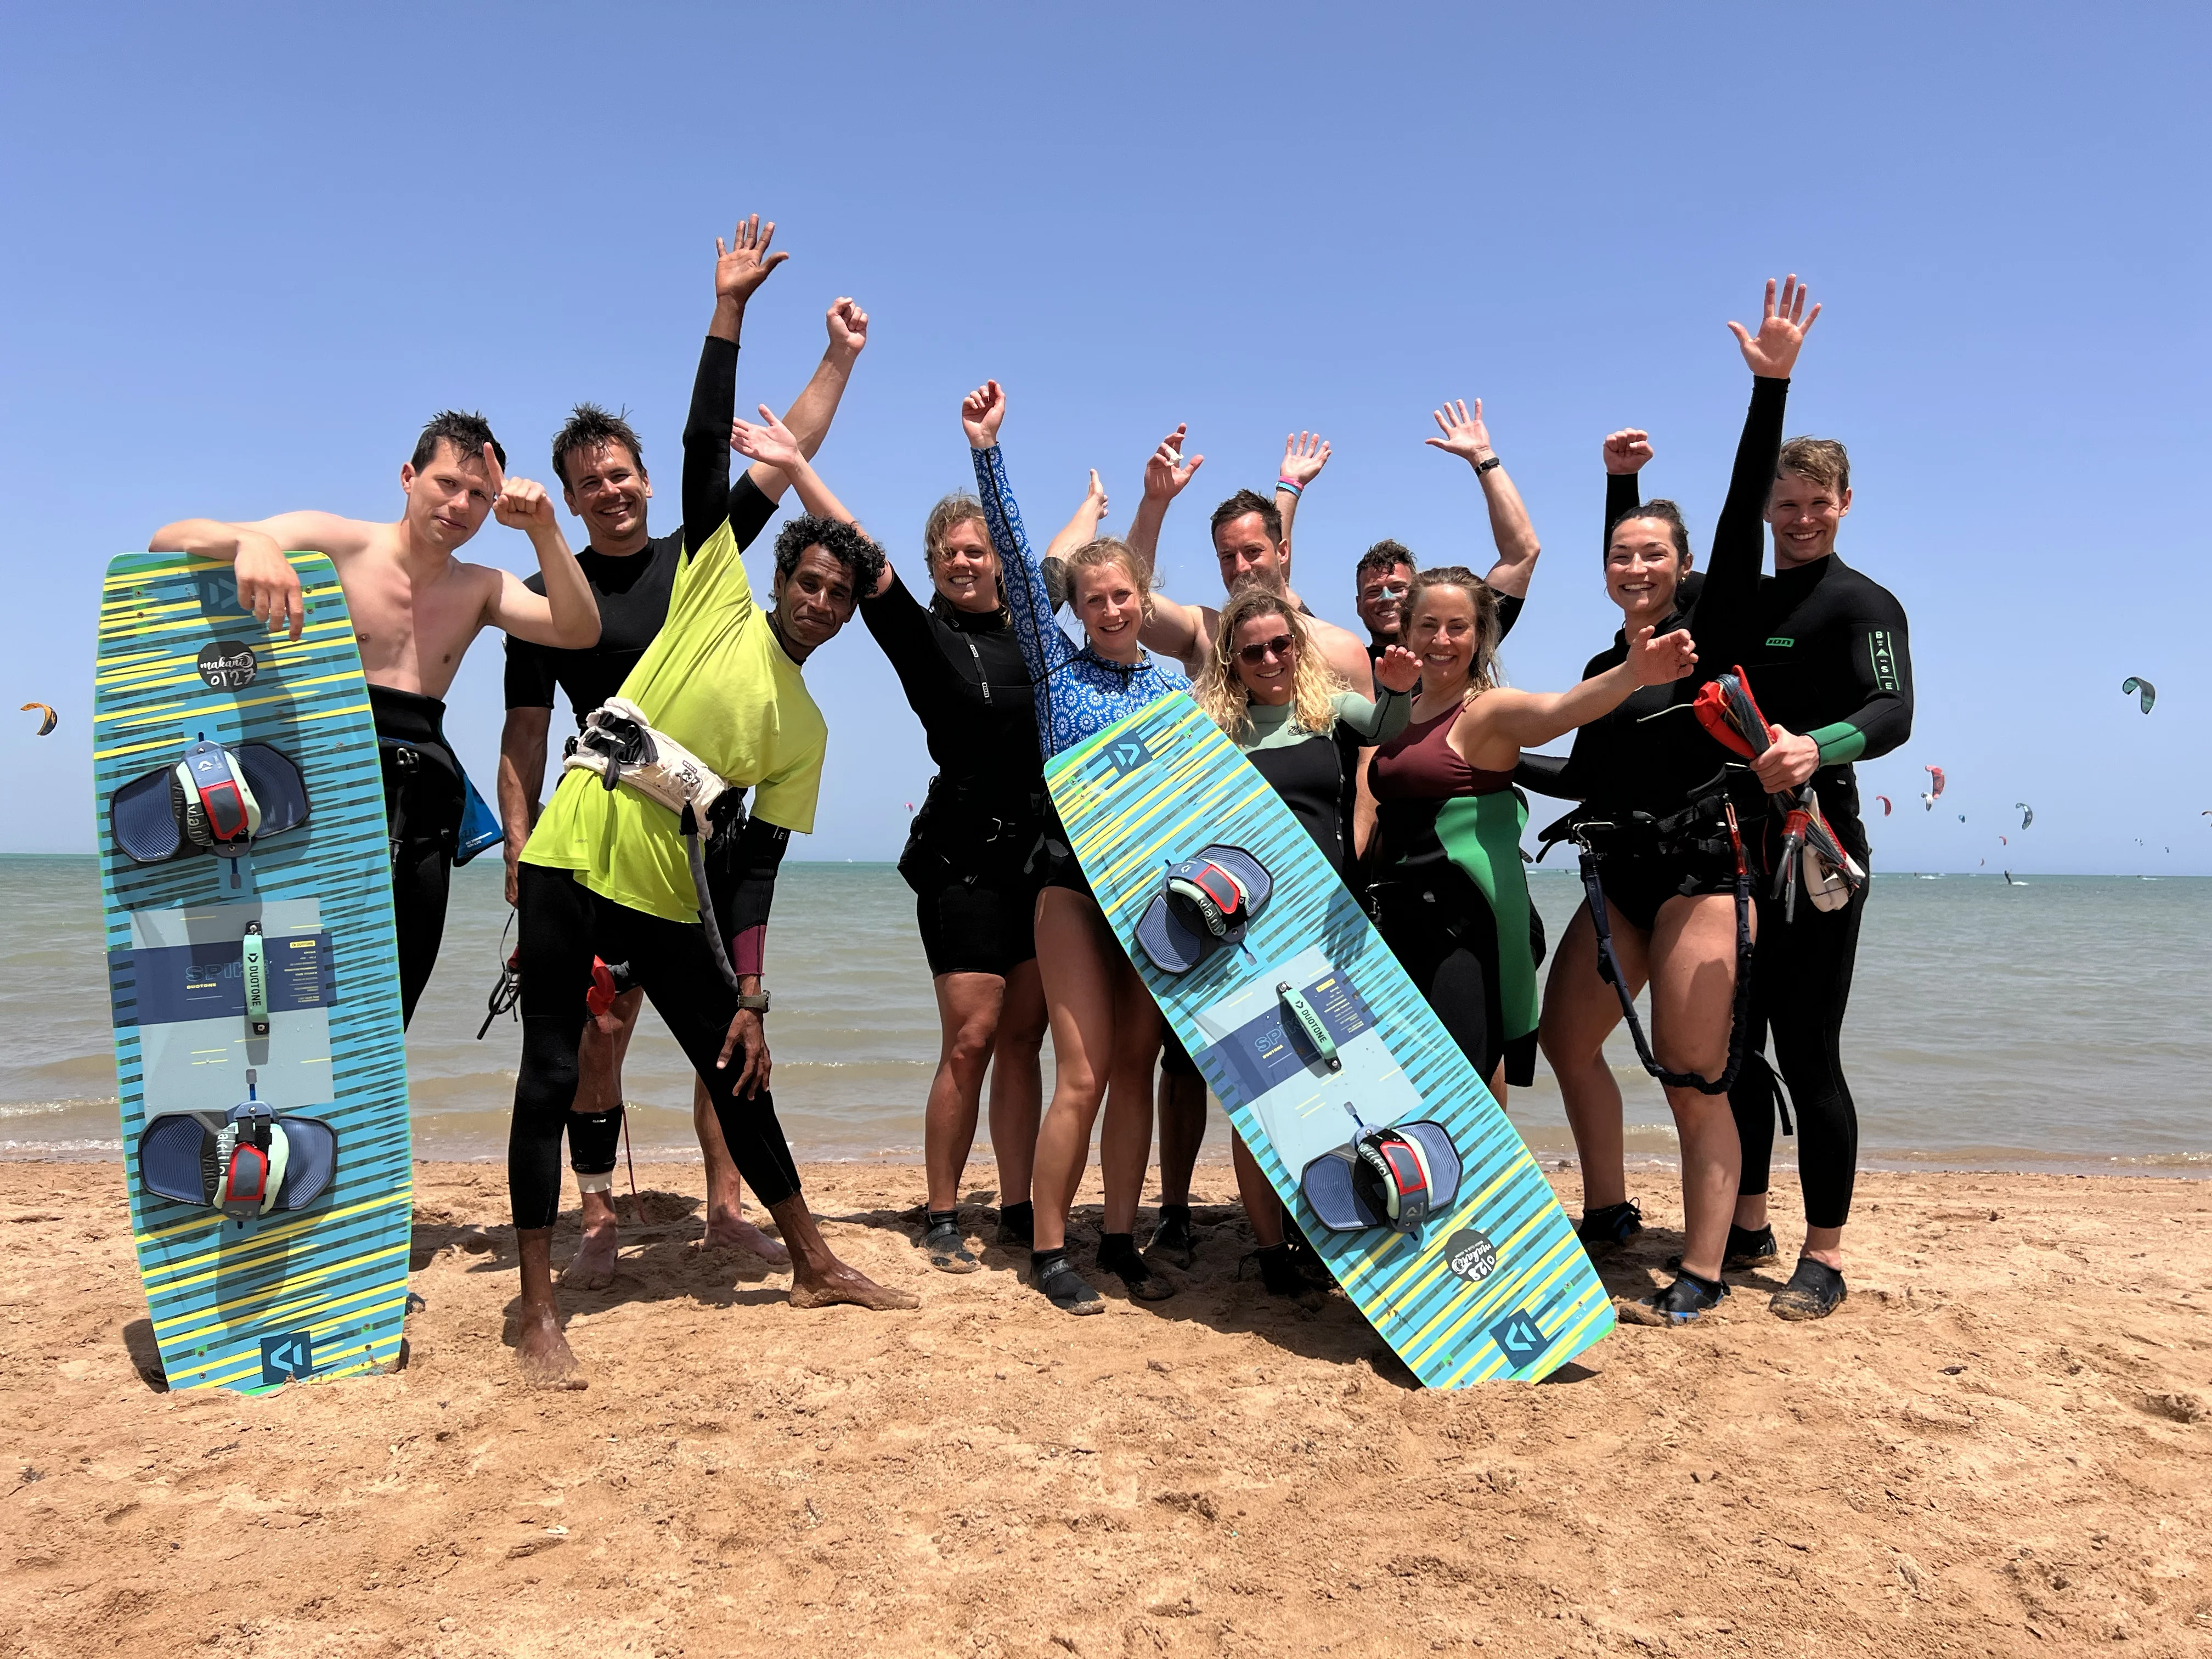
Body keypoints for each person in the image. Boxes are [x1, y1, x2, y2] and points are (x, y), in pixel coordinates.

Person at [508, 215, 915, 1383]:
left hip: (664, 890)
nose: (824, 604)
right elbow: (707, 444)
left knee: (737, 1060)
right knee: (550, 1071)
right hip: (575, 855)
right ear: (777, 574)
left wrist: (753, 991)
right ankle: (539, 1309)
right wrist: (728, 310)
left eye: (843, 597)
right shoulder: (711, 593)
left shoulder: (811, 732)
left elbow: (756, 866)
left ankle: (814, 1258)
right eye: (812, 581)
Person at [1532, 277, 1821, 1325]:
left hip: (1703, 873)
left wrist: (1770, 389)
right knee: (1566, 1043)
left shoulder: (1716, 636)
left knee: (1696, 1077)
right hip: (1618, 874)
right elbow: (1583, 778)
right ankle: (1607, 1209)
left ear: (1685, 563)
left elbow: (1744, 514)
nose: (1636, 564)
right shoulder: (1610, 662)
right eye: (1622, 553)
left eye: (1654, 552)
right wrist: (1495, 757)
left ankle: (1702, 1262)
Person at [150, 417, 601, 1028]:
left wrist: (545, 531)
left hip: (422, 811)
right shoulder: (337, 542)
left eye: (479, 495)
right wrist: (246, 544)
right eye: (447, 483)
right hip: (323, 791)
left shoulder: (482, 588)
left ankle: (368, 1116)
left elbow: (579, 630)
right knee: (289, 997)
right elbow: (166, 540)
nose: (460, 505)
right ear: (408, 478)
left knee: (390, 1010)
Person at [1684, 285, 1912, 1322]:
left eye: (1817, 501)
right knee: (1736, 1047)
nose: (1798, 516)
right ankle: (1750, 1220)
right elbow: (1728, 507)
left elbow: (1894, 707)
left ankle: (1822, 1253)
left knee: (1809, 1050)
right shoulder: (1739, 595)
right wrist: (1766, 391)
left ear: (1844, 504)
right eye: (1786, 503)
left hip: (1817, 846)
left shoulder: (1863, 602)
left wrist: (1811, 747)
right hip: (1727, 847)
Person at [962, 378, 1185, 1314]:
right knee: (1083, 1070)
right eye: (1093, 598)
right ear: (1079, 606)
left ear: (1143, 594)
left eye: (1122, 594)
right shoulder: (1059, 670)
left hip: (1151, 893)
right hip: (1069, 885)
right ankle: (1052, 1247)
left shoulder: (1172, 691)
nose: (1108, 610)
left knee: (1135, 1067)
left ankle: (1122, 1234)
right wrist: (988, 453)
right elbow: (1016, 561)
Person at [856, 471, 1114, 1272]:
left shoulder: (1029, 623)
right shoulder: (925, 638)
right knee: (970, 1039)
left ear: (997, 560)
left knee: (1024, 1037)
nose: (965, 562)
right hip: (959, 862)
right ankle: (939, 1210)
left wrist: (1096, 507)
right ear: (932, 566)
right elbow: (865, 558)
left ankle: (1013, 1204)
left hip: (1036, 860)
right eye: (949, 554)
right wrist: (796, 469)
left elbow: (1061, 555)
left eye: (977, 550)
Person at [1365, 567, 1697, 1111]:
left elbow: (1560, 712)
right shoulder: (1399, 709)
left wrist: (1632, 674)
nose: (1441, 640)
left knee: (1453, 1086)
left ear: (1479, 637)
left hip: (1465, 926)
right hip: (1399, 919)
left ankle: (1479, 1192)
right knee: (1403, 1079)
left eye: (1458, 627)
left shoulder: (1488, 711)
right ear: (1405, 631)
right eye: (1428, 625)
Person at [1189, 588, 1420, 1297]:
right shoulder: (1214, 728)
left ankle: (1333, 1220)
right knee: (1259, 1091)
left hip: (1329, 925)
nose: (1269, 660)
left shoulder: (1325, 708)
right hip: (1253, 934)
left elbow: (1386, 722)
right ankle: (1270, 1246)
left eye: (1280, 645)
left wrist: (1401, 689)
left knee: (1342, 1081)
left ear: (1297, 645)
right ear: (1232, 658)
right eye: (1252, 650)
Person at [1336, 399, 1543, 662]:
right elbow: (1279, 590)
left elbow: (1522, 552)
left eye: (1398, 588)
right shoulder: (1346, 668)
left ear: (1416, 596)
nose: (1386, 598)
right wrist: (1289, 487)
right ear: (1358, 605)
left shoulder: (1460, 648)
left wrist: (1482, 456)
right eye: (1374, 592)